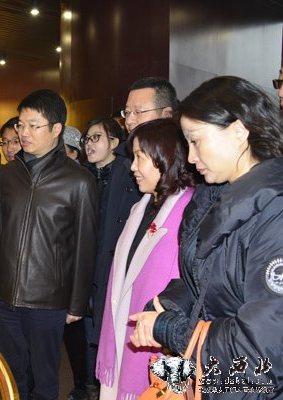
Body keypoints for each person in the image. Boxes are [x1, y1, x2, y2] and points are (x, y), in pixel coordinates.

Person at [130, 76, 283, 398]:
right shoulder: (215, 195)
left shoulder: (275, 214)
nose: (190, 157)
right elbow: (209, 278)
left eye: (196, 141)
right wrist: (172, 302)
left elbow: (263, 348)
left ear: (239, 131)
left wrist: (173, 330)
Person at [0, 89, 99, 399]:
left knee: (45, 377)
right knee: (9, 373)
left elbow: (85, 247)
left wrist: (77, 303)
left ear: (56, 128)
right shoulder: (8, 174)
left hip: (48, 299)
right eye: (21, 125)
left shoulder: (79, 181)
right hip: (5, 294)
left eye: (33, 125)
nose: (24, 133)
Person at [96, 118, 195, 399]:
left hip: (165, 343)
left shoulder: (189, 212)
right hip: (126, 328)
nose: (132, 167)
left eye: (140, 157)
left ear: (165, 157)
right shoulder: (141, 207)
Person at [62, 117, 138, 400]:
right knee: (87, 332)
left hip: (113, 268)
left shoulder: (129, 175)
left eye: (97, 138)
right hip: (87, 267)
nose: (89, 144)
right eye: (87, 139)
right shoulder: (84, 176)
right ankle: (91, 386)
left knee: (109, 332)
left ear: (114, 143)